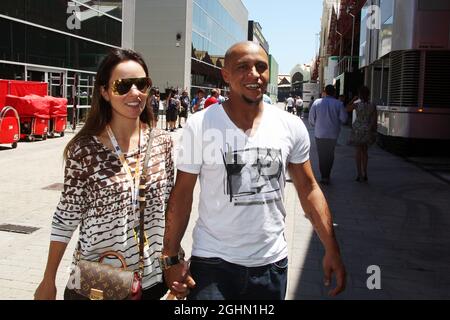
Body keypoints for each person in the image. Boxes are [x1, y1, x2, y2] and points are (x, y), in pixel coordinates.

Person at [161, 41, 346, 300]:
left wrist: (331, 247)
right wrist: (170, 259)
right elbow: (182, 194)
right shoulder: (200, 125)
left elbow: (309, 189)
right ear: (225, 74)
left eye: (261, 67)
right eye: (243, 67)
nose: (254, 74)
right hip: (212, 265)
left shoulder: (290, 126)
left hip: (271, 265)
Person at [34, 48, 175, 300]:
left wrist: (174, 259)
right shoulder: (84, 150)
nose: (135, 93)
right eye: (123, 86)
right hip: (98, 281)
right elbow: (66, 218)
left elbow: (169, 209)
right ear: (104, 92)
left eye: (142, 84)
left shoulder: (162, 142)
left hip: (151, 280)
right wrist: (48, 279)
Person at [308, 85, 347, 185]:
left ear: (325, 92)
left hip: (319, 133)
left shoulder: (317, 102)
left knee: (321, 155)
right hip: (332, 134)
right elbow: (344, 119)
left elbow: (311, 119)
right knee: (330, 154)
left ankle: (323, 176)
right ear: (334, 93)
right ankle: (327, 175)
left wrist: (315, 124)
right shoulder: (339, 104)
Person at [346, 86, 377, 182]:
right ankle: (365, 173)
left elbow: (347, 109)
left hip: (357, 129)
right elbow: (374, 120)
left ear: (359, 94)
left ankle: (359, 174)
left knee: (358, 152)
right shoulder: (372, 105)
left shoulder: (357, 104)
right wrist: (373, 130)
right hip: (367, 129)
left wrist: (353, 100)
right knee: (365, 152)